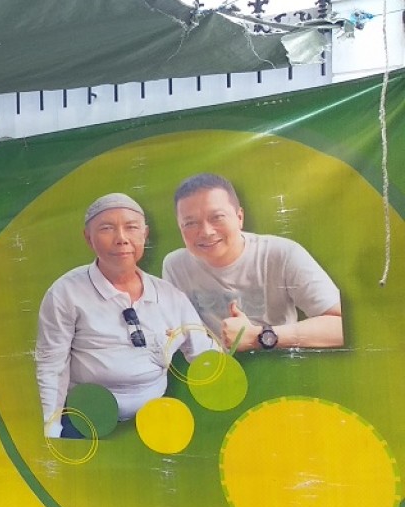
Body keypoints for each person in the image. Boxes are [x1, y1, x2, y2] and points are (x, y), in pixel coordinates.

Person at [36, 193, 215, 439]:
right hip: (85, 420)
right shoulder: (65, 293)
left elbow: (205, 356)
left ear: (145, 234)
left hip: (155, 421)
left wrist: (231, 345)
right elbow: (52, 365)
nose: (121, 239)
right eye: (107, 228)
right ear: (88, 238)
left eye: (131, 228)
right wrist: (52, 428)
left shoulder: (170, 296)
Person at [161, 173, 343, 352]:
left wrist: (260, 336)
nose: (206, 231)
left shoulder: (281, 253)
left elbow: (341, 326)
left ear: (239, 217)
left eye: (217, 217)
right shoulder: (175, 266)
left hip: (282, 370)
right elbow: (174, 330)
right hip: (215, 376)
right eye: (190, 223)